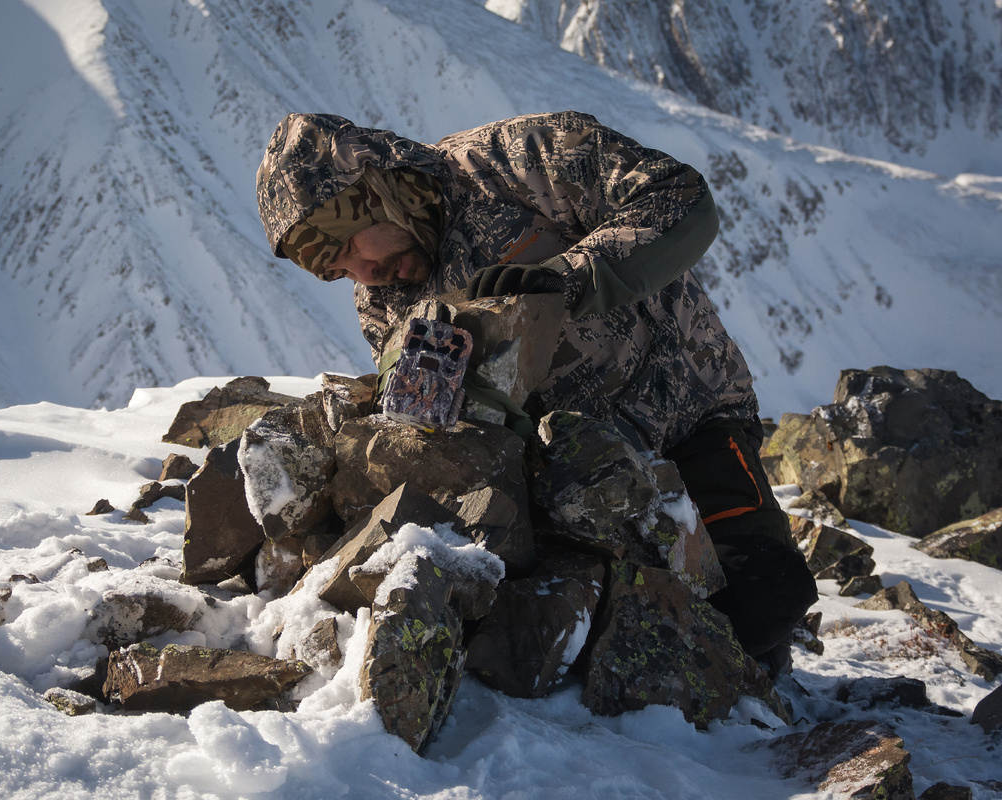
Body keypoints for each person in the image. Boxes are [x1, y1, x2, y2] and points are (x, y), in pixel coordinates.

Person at [255, 110, 816, 673]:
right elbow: (438, 427)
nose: (365, 274)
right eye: (338, 271)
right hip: (581, 482)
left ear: (377, 192)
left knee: (763, 604)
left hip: (693, 417)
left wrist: (572, 275)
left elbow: (681, 200)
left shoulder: (515, 159)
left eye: (351, 247)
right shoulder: (384, 305)